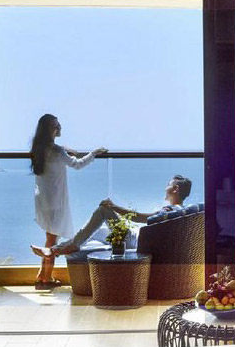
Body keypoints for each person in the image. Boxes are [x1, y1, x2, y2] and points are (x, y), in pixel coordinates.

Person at [32, 174, 192, 260]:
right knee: (95, 230)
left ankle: (60, 249)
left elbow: (139, 218)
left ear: (175, 189)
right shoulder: (180, 211)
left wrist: (113, 207)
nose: (165, 188)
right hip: (135, 237)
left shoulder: (171, 209)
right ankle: (59, 249)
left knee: (103, 210)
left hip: (132, 240)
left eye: (168, 184)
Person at [29, 113, 106, 288]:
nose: (59, 127)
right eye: (55, 126)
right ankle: (46, 278)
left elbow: (56, 152)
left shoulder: (38, 149)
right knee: (51, 240)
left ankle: (42, 275)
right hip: (55, 200)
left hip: (43, 198)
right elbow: (77, 164)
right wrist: (94, 153)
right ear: (49, 130)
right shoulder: (57, 151)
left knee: (50, 237)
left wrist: (65, 149)